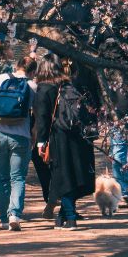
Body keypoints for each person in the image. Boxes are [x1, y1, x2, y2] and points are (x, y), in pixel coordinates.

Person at [35, 65, 101, 229]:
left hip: (60, 137)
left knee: (63, 177)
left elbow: (42, 118)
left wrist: (41, 141)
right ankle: (62, 216)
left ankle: (70, 218)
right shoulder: (81, 87)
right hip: (81, 137)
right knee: (76, 176)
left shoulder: (49, 89)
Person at [0, 52, 35, 231]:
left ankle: (4, 218)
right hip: (21, 135)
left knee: (1, 177)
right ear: (32, 72)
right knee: (17, 177)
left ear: (16, 65)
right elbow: (38, 115)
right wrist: (34, 135)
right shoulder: (32, 85)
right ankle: (15, 215)